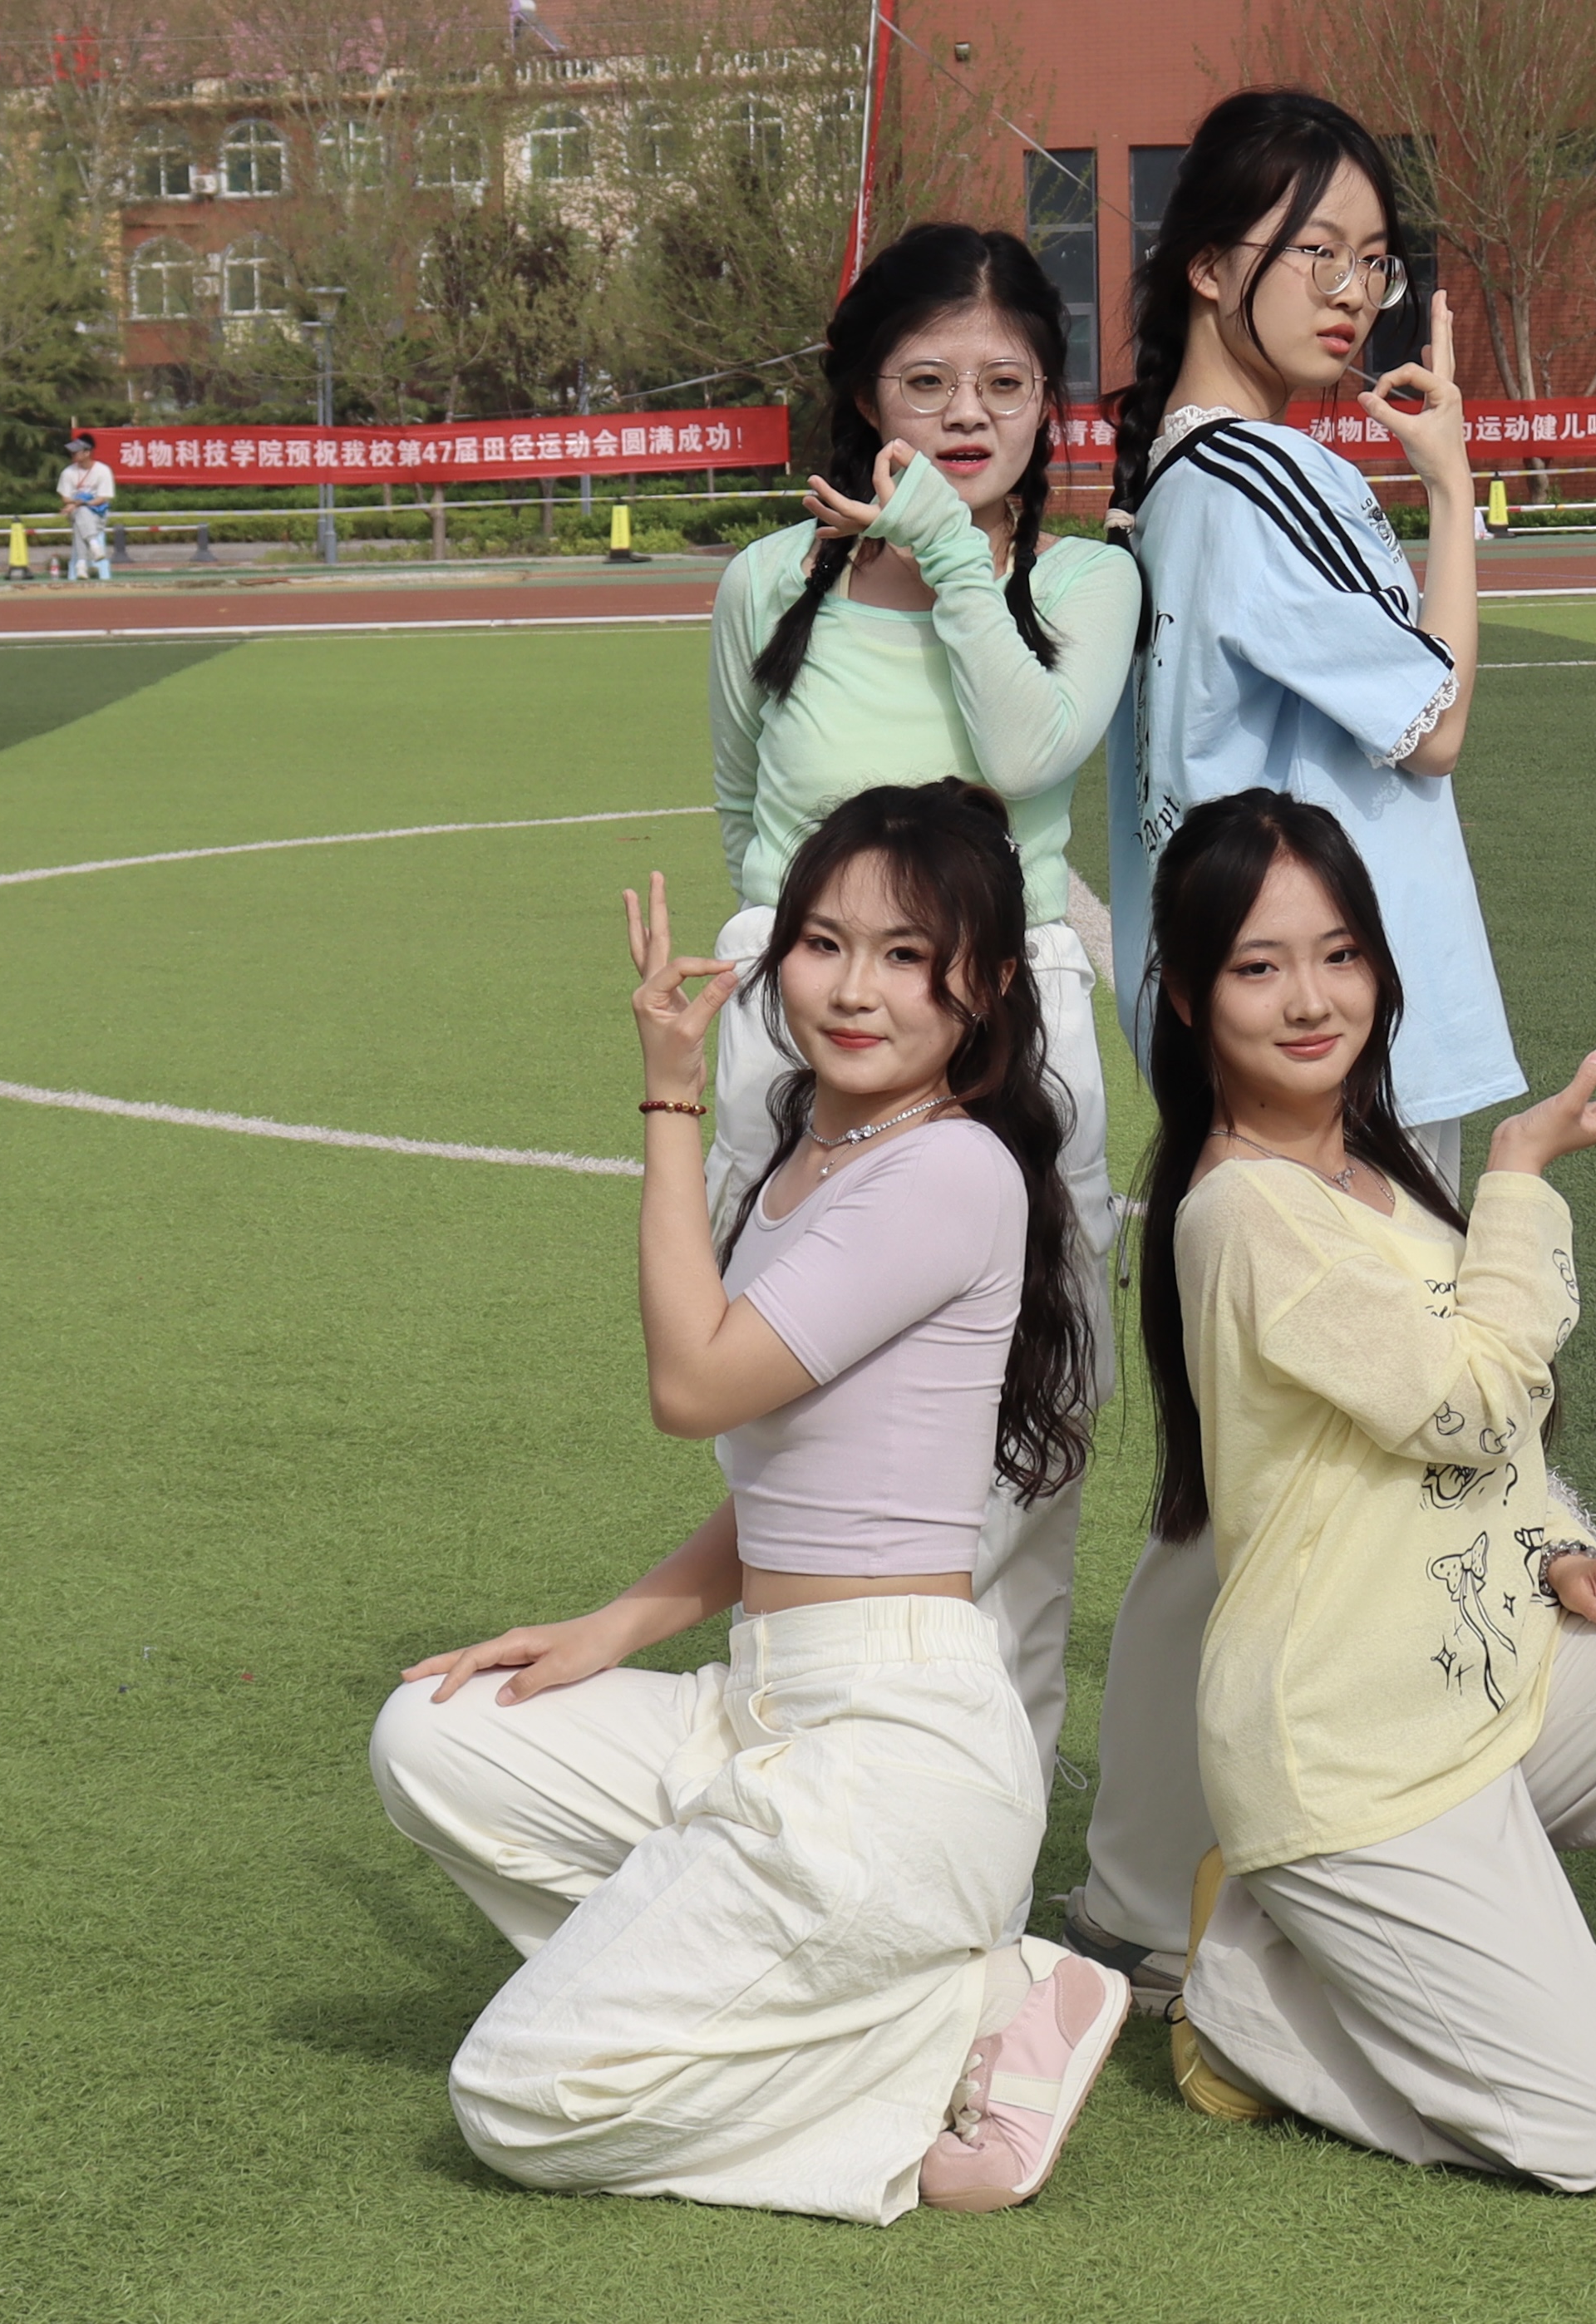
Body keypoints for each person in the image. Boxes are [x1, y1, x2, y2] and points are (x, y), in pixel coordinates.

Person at [367, 783, 1127, 2225]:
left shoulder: (948, 1169)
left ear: (986, 983)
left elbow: (696, 1386)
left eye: (906, 956)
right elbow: (804, 1481)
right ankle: (888, 1981)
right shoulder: (814, 1150)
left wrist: (667, 1095)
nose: (853, 989)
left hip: (894, 1745)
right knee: (435, 1737)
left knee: (516, 2102)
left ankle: (972, 2013)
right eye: (823, 943)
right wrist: (613, 1627)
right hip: (761, 1710)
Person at [1135, 789, 1596, 2189]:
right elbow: (1470, 1402)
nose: (1311, 999)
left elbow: (1470, 1458)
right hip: (1348, 1751)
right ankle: (1249, 1997)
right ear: (1185, 996)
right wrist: (1521, 1178)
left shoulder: (1372, 1177)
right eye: (1258, 966)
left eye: (1340, 954)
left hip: (1488, 1675)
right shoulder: (1243, 1210)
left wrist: (1558, 1551)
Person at [1068, 88, 1522, 2009]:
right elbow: (1433, 716)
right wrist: (1450, 493)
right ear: (1207, 266)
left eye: (1373, 259)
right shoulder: (1249, 478)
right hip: (1329, 1041)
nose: (1354, 292)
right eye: (1313, 253)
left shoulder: (1195, 482)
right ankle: (1248, 1876)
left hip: (1276, 1032)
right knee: (1339, 1476)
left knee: (1251, 1474)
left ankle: (1146, 1877)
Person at [704, 221, 1139, 1779]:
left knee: (1023, 1439)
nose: (967, 415)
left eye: (1006, 384)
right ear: (861, 394)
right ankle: (801, 1790)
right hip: (793, 1033)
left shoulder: (1085, 579)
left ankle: (982, 1844)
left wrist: (952, 551)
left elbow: (1025, 755)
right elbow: (746, 811)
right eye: (927, 382)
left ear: (1047, 404)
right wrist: (813, 971)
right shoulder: (770, 581)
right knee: (792, 1426)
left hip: (1012, 1027)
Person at [56, 433, 116, 581]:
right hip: (75, 512)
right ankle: (94, 545)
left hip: (97, 514)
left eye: (76, 451)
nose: (72, 454)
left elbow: (102, 498)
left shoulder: (103, 470)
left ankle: (81, 564)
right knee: (81, 513)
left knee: (81, 518)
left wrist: (80, 503)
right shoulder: (68, 473)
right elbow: (65, 498)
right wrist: (77, 504)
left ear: (87, 452)